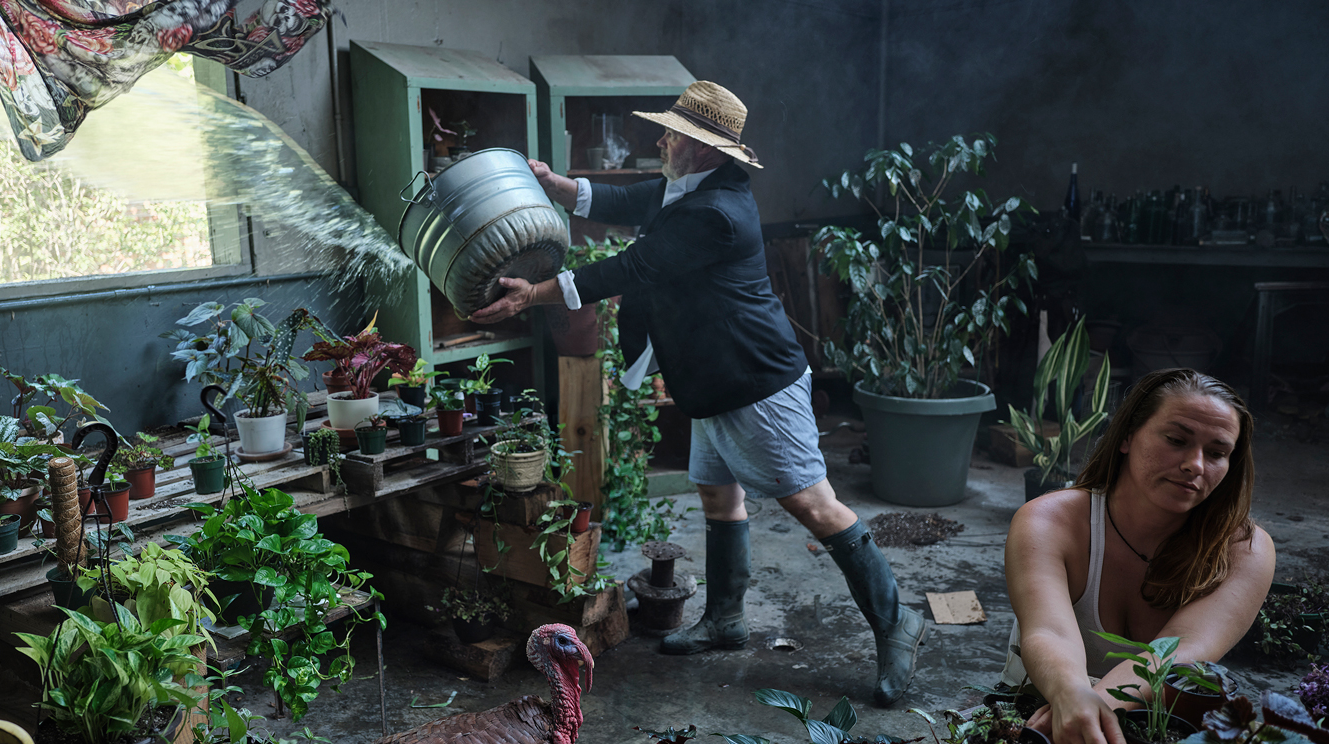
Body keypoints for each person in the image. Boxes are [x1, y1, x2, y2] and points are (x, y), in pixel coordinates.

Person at [469, 80, 928, 706]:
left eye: (672, 133)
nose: (660, 139)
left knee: (816, 507)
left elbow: (634, 266)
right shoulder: (690, 188)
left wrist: (535, 293)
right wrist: (560, 188)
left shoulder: (716, 214)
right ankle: (726, 620)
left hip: (756, 383)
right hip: (712, 382)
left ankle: (895, 619)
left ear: (708, 149)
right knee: (718, 495)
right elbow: (637, 198)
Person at [1003, 368, 1275, 744]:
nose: (1195, 465)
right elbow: (1049, 631)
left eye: (1216, 453)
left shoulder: (1243, 549)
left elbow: (1181, 649)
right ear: (1128, 436)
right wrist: (1071, 693)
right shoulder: (1049, 521)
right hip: (1034, 717)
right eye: (1177, 439)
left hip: (1157, 729)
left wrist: (1088, 708)